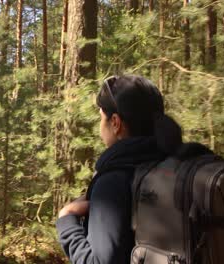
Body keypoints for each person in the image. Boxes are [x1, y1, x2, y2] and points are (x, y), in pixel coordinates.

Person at [56, 75, 183, 264]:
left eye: (101, 118)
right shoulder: (174, 164)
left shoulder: (114, 181)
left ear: (115, 122)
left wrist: (66, 221)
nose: (100, 127)